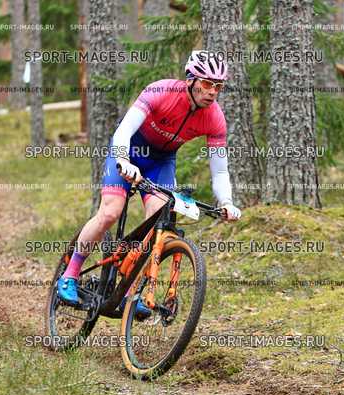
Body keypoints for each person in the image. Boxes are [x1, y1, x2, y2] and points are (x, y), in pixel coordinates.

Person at [57, 50, 241, 317]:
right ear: (191, 79)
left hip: (161, 162)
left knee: (157, 223)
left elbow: (220, 170)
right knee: (110, 212)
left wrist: (226, 202)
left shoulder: (214, 117)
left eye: (219, 86)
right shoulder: (162, 91)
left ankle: (129, 292)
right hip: (129, 150)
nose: (213, 91)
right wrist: (123, 160)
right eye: (207, 83)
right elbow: (124, 130)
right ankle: (70, 274)